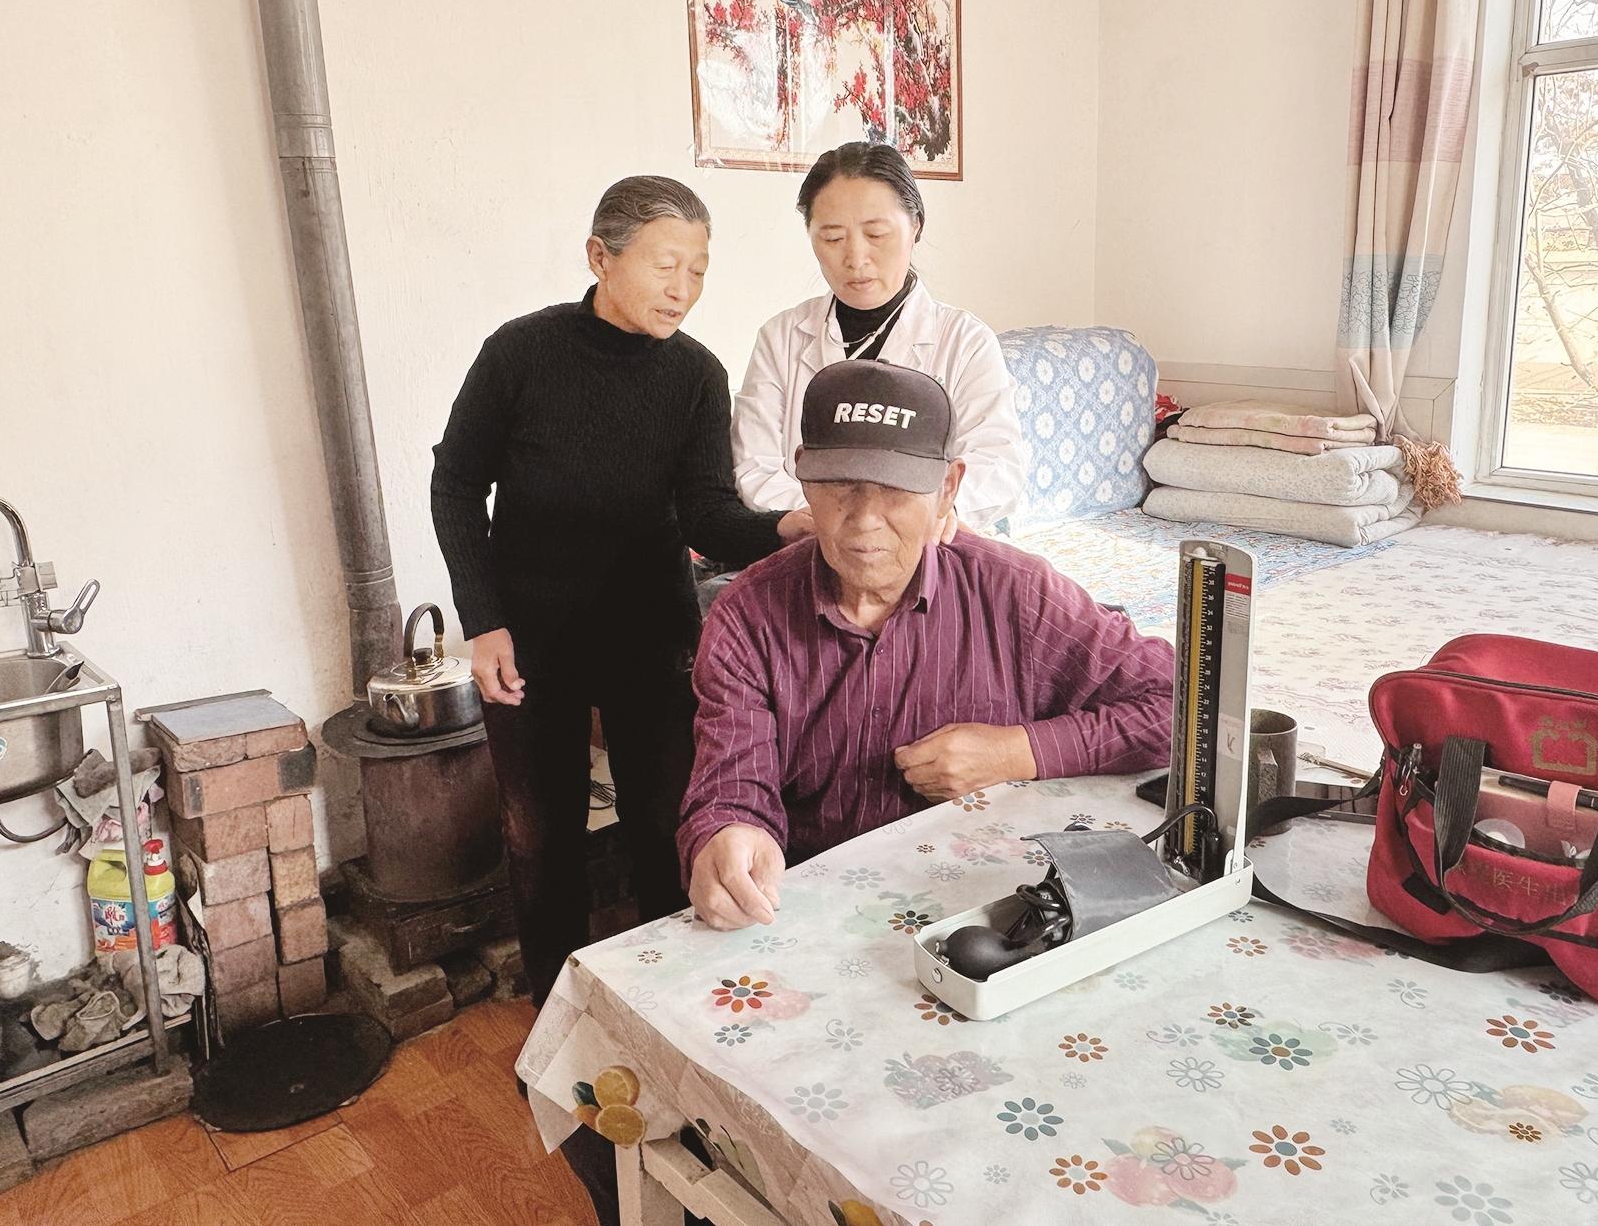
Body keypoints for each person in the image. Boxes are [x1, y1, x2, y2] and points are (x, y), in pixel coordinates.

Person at [430, 175, 810, 1004]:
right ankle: (558, 1010)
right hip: (532, 640)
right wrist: (484, 621)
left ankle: (670, 1006)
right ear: (601, 257)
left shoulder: (697, 374)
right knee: (540, 839)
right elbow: (455, 485)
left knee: (668, 825)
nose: (685, 287)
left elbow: (706, 513)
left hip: (651, 636)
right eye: (666, 264)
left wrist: (787, 525)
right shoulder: (520, 353)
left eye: (699, 269)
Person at [682, 360, 1172, 929]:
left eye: (896, 489)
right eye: (840, 485)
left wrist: (1018, 752)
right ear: (805, 480)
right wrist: (729, 833)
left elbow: (1180, 704)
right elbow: (732, 782)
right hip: (807, 911)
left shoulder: (1017, 592)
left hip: (992, 907)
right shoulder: (746, 615)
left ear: (947, 490)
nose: (864, 520)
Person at [731, 142, 1026, 537]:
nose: (855, 258)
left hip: (928, 544)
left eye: (876, 234)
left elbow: (997, 465)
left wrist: (913, 519)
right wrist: (837, 524)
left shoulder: (964, 342)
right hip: (811, 540)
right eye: (832, 238)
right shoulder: (781, 338)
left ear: (915, 226)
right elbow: (755, 465)